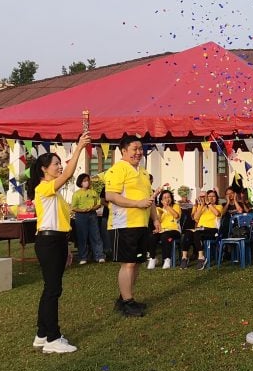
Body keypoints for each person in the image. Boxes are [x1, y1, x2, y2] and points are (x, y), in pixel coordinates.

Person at [28, 132, 90, 353]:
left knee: (51, 289)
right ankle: (53, 339)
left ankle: (42, 334)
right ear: (44, 169)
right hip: (49, 242)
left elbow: (61, 222)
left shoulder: (54, 192)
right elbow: (71, 172)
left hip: (56, 242)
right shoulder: (44, 187)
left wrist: (67, 248)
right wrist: (79, 147)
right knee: (53, 289)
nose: (60, 167)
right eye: (56, 164)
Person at [104, 135, 159, 317]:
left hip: (141, 223)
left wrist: (155, 219)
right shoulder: (117, 169)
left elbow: (149, 199)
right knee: (127, 263)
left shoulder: (142, 172)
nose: (138, 152)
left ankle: (125, 297)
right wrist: (137, 204)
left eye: (140, 149)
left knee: (136, 263)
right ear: (124, 151)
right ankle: (127, 302)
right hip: (123, 224)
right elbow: (111, 196)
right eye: (134, 149)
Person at [71, 173, 105, 264]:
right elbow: (73, 207)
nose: (87, 182)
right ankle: (83, 257)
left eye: (88, 180)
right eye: (85, 180)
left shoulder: (93, 192)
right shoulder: (76, 194)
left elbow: (98, 203)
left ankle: (99, 256)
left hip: (92, 215)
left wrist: (93, 208)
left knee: (96, 235)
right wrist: (82, 210)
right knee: (82, 237)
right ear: (80, 182)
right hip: (80, 216)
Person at [184, 189, 223, 268]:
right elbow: (195, 218)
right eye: (209, 196)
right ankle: (184, 258)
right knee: (187, 233)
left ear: (216, 198)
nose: (211, 198)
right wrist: (202, 205)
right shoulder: (201, 207)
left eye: (213, 196)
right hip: (200, 229)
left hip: (212, 230)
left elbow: (217, 214)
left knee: (197, 233)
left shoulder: (218, 206)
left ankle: (201, 257)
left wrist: (208, 203)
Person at [150, 189, 181, 269]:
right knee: (151, 237)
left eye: (168, 197)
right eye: (164, 198)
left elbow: (176, 216)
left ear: (171, 198)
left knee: (165, 236)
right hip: (162, 230)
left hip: (174, 230)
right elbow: (158, 222)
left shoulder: (176, 206)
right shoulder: (159, 209)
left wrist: (167, 207)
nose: (167, 199)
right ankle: (152, 258)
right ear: (161, 200)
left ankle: (167, 259)